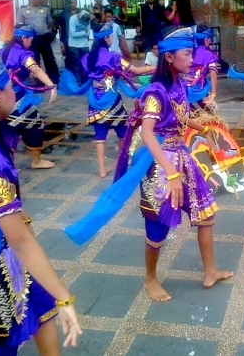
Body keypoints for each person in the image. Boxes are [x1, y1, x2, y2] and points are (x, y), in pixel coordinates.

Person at [0, 42, 82, 356]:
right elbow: (20, 241)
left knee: (37, 299)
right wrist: (65, 298)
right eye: (9, 85)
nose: (14, 91)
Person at [135, 26, 233, 300]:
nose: (193, 59)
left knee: (206, 214)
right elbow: (147, 132)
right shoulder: (155, 92)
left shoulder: (180, 83)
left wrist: (201, 127)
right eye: (187, 54)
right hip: (161, 165)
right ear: (169, 58)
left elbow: (177, 118)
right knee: (158, 226)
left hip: (183, 158)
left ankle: (210, 271)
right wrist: (170, 173)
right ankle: (150, 278)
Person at [59, 22, 152, 178]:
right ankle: (122, 161)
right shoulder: (114, 57)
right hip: (112, 99)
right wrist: (154, 67)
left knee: (99, 135)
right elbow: (135, 70)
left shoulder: (88, 58)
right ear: (108, 38)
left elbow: (86, 76)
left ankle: (102, 169)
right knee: (122, 133)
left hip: (95, 98)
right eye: (111, 37)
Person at [1, 26, 58, 169]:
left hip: (0, 98)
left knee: (6, 130)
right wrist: (51, 85)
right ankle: (36, 161)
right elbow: (36, 69)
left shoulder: (2, 50)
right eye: (30, 40)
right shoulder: (23, 55)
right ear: (24, 38)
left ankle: (5, 165)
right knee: (34, 123)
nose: (31, 43)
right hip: (16, 98)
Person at [16, 0, 60, 84]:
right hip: (31, 40)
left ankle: (55, 80)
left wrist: (49, 33)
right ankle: (39, 82)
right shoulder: (22, 10)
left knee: (49, 59)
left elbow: (49, 22)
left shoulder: (45, 9)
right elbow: (19, 26)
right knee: (34, 60)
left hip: (43, 38)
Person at [185, 24, 219, 115]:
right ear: (206, 39)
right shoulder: (208, 54)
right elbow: (213, 73)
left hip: (184, 88)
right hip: (199, 89)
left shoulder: (189, 52)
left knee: (191, 116)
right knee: (212, 115)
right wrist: (213, 93)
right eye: (209, 39)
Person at [67, 9, 91, 85]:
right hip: (73, 44)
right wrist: (84, 32)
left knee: (87, 61)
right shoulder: (72, 19)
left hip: (84, 44)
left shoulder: (87, 17)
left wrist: (82, 33)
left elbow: (88, 33)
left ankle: (87, 79)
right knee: (76, 63)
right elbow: (73, 34)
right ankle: (78, 79)